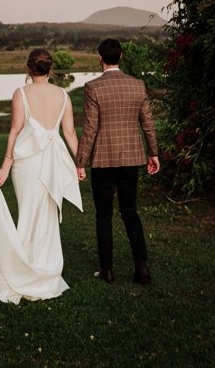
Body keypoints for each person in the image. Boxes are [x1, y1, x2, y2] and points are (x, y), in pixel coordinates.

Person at [0, 48, 85, 304]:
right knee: (44, 216)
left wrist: (5, 165)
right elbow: (69, 134)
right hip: (53, 162)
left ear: (28, 68)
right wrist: (79, 163)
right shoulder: (63, 95)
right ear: (50, 68)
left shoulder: (21, 93)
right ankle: (41, 273)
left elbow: (15, 131)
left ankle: (27, 272)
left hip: (26, 165)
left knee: (29, 214)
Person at [74, 38, 160, 285]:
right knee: (130, 211)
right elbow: (148, 123)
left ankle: (107, 271)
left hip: (103, 159)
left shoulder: (93, 87)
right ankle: (141, 267)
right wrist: (153, 153)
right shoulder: (137, 85)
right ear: (121, 56)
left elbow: (90, 129)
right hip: (131, 157)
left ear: (99, 57)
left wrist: (81, 161)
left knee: (104, 215)